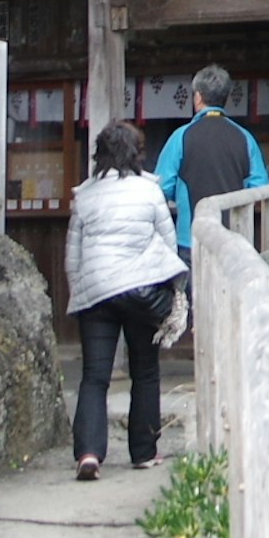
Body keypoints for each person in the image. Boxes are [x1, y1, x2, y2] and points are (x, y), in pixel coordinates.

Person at [62, 121, 183, 482]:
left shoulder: (84, 195)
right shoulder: (149, 191)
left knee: (94, 377)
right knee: (144, 371)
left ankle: (88, 453)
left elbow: (73, 256)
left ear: (99, 154)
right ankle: (144, 452)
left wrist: (80, 293)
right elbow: (168, 243)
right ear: (136, 153)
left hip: (97, 291)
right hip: (141, 289)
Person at [154, 64, 269, 255]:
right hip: (235, 242)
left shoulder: (180, 137)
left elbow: (161, 189)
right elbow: (261, 191)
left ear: (198, 96)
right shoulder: (245, 138)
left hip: (191, 241)